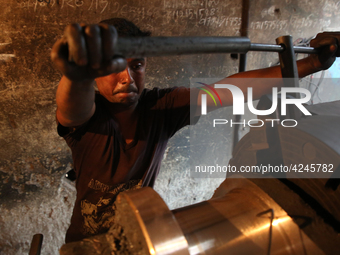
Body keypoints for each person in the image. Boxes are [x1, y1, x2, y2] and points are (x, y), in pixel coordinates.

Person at [51, 18, 340, 243]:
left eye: (136, 65)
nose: (127, 78)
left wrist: (311, 63)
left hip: (137, 237)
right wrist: (75, 76)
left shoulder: (162, 108)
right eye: (112, 68)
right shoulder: (90, 120)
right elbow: (72, 107)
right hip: (84, 244)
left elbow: (228, 90)